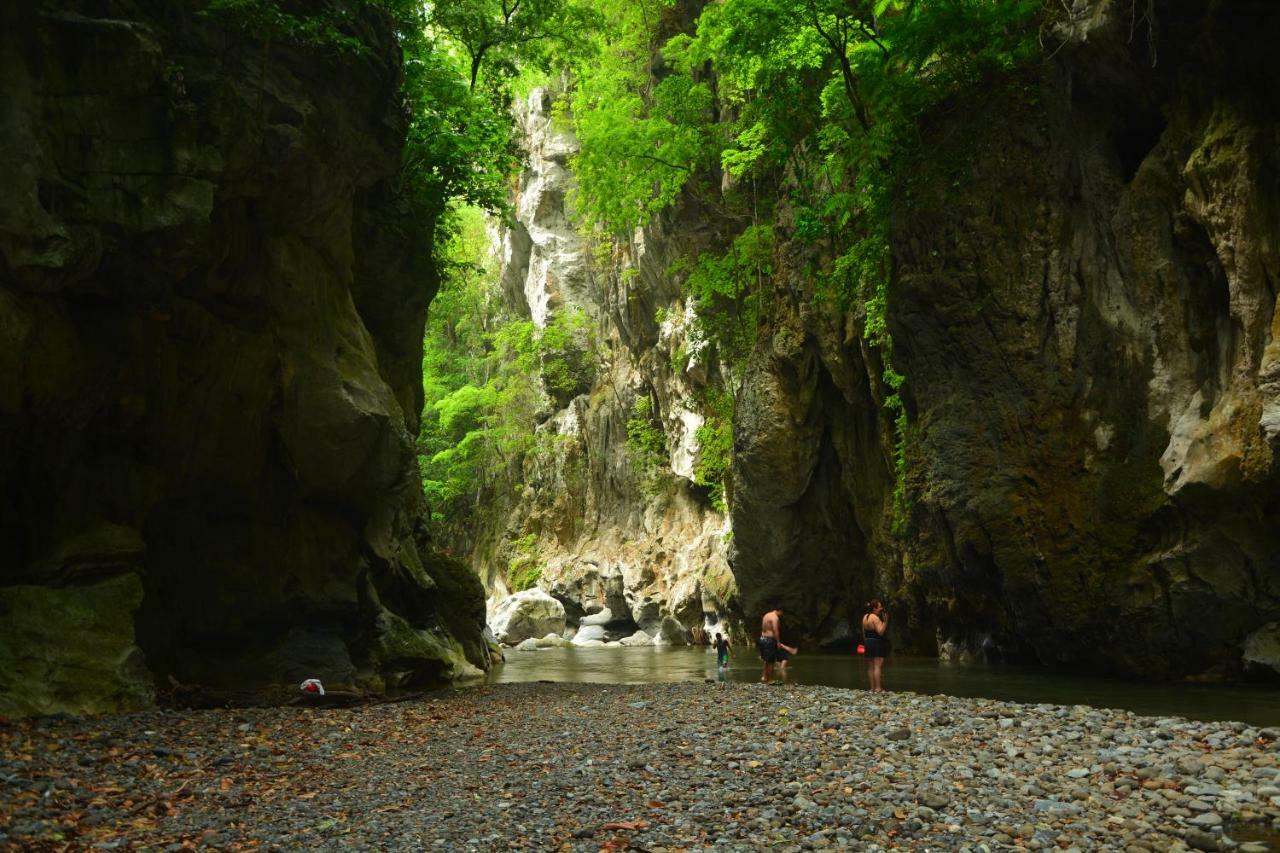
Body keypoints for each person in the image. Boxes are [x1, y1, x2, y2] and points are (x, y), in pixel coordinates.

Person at [757, 602, 798, 684]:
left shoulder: (766, 615)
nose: (782, 614)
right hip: (769, 640)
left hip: (762, 639)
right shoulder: (775, 618)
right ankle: (770, 680)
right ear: (780, 611)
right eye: (782, 612)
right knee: (771, 661)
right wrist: (778, 642)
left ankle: (764, 677)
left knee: (766, 660)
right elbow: (775, 630)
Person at [862, 598, 889, 692]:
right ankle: (878, 688)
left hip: (868, 642)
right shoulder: (875, 618)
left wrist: (866, 643)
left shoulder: (865, 617)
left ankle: (872, 687)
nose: (881, 609)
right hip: (876, 642)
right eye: (879, 607)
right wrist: (885, 622)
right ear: (874, 608)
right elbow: (880, 632)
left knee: (870, 666)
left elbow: (864, 633)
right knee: (877, 666)